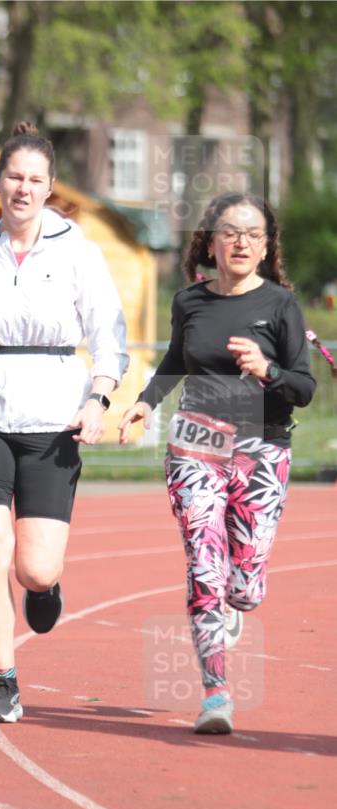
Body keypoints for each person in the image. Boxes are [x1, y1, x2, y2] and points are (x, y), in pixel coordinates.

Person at [0, 121, 129, 724]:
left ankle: (44, 589)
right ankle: (5, 682)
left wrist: (99, 398)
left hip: (53, 417)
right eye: (14, 176)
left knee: (34, 566)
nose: (24, 188)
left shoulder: (79, 251)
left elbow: (110, 338)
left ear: (51, 187)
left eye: (35, 179)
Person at [119, 191, 316, 735]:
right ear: (209, 239)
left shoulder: (281, 305)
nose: (242, 242)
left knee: (244, 588)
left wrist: (267, 369)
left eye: (254, 234)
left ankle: (235, 600)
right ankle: (216, 695)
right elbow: (176, 359)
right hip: (195, 444)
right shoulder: (189, 302)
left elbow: (304, 388)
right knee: (205, 567)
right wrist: (144, 401)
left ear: (267, 245)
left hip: (262, 445)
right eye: (230, 231)